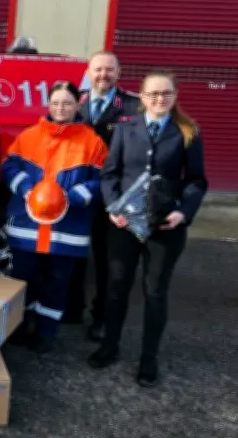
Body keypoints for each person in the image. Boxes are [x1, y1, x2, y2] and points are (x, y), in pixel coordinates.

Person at [88, 70, 208, 387]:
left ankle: (148, 358)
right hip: (124, 225)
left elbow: (196, 180)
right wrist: (113, 207)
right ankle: (109, 346)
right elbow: (109, 174)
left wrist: (183, 213)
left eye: (165, 93)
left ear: (175, 95)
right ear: (141, 97)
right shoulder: (126, 130)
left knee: (154, 292)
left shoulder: (188, 131)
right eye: (153, 94)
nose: (159, 99)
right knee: (117, 289)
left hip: (165, 226)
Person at [1, 81, 107, 353]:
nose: (61, 108)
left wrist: (71, 197)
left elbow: (102, 179)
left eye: (67, 103)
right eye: (56, 102)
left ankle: (45, 333)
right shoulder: (29, 136)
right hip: (28, 228)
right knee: (22, 280)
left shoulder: (92, 141)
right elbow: (9, 166)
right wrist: (26, 188)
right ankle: (19, 327)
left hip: (67, 229)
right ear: (48, 105)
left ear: (77, 105)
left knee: (57, 283)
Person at [65, 51, 141, 342]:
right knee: (72, 254)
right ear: (88, 72)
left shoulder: (133, 106)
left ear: (118, 73)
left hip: (113, 198)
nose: (103, 75)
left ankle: (101, 318)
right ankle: (72, 308)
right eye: (98, 70)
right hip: (78, 194)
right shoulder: (75, 102)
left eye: (109, 70)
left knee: (108, 263)